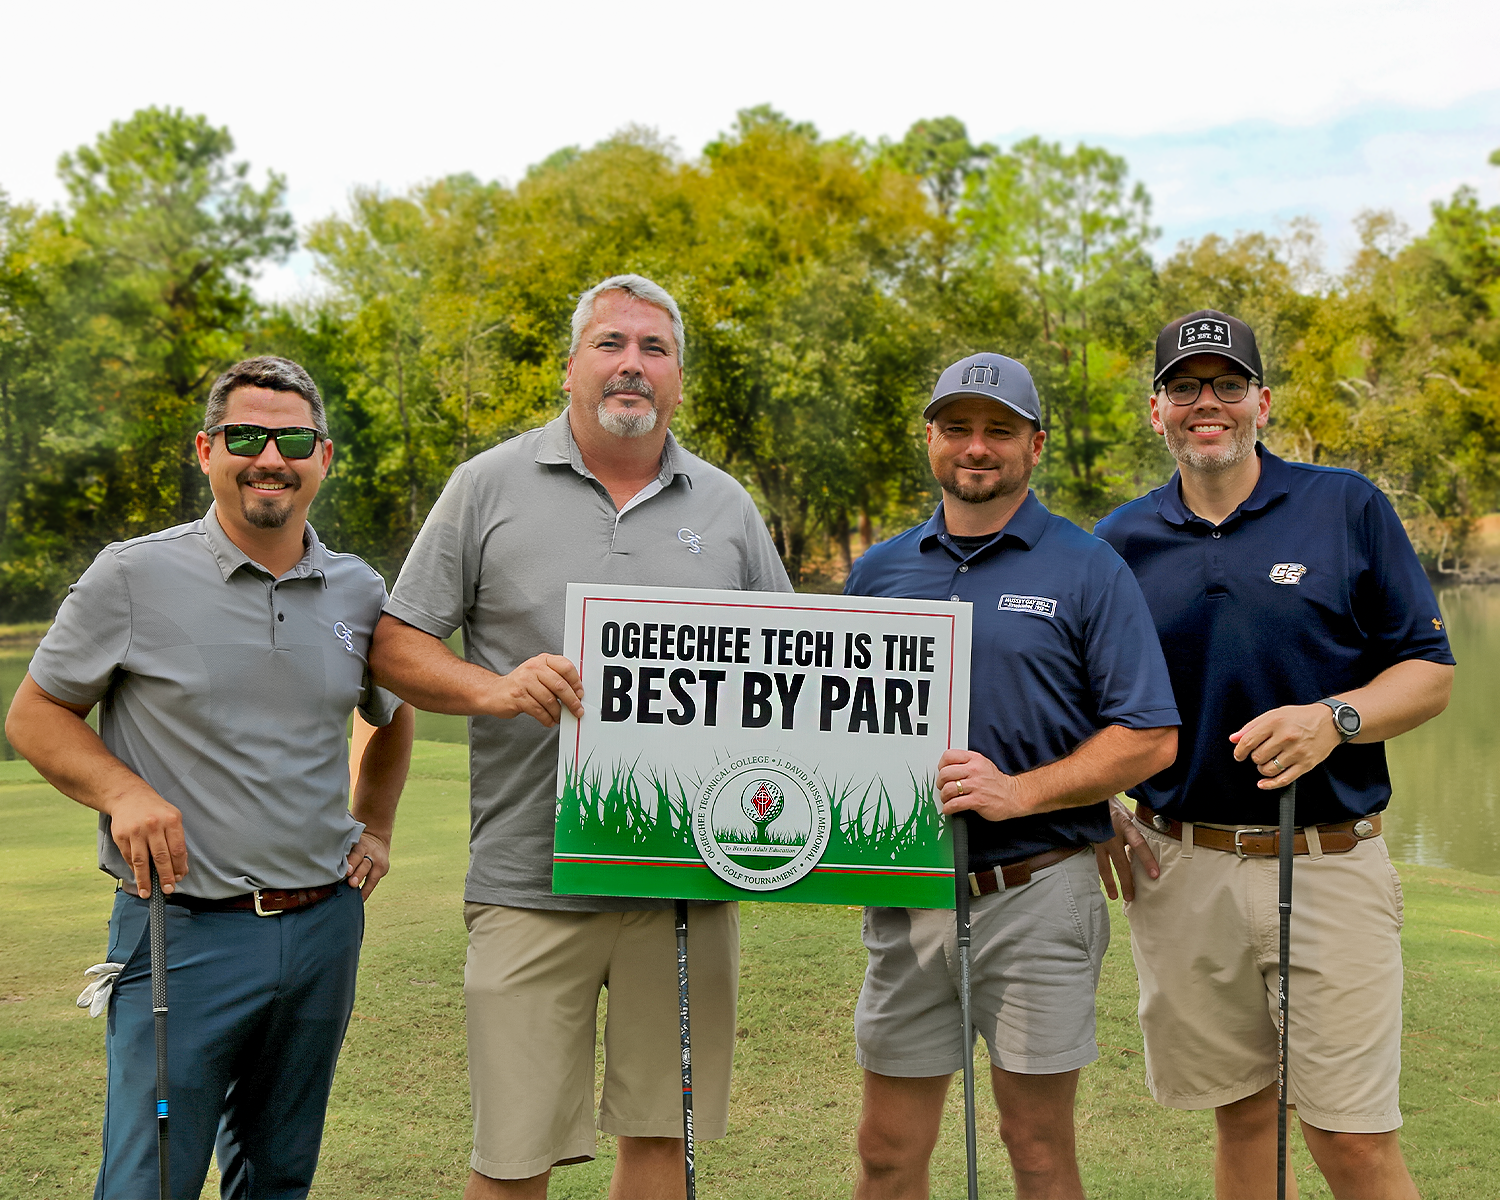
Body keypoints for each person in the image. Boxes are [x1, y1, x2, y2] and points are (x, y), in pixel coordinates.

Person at [368, 274, 791, 1199]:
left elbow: (791, 678)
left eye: (654, 349)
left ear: (680, 378)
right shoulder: (486, 486)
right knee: (513, 1158)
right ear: (570, 367)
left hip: (684, 879)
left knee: (659, 1143)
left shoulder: (728, 508)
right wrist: (496, 688)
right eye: (610, 344)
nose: (631, 364)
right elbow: (396, 647)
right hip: (528, 880)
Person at [4, 355, 415, 1199]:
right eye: (246, 435)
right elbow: (34, 716)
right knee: (150, 1179)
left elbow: (392, 710)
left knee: (279, 1175)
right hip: (181, 935)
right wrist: (124, 792)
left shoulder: (357, 588)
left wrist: (375, 824)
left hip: (322, 930)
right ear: (205, 450)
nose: (271, 456)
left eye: (294, 437)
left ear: (323, 458)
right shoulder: (131, 574)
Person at [1094, 310, 1455, 1200]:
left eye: (1224, 385)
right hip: (1180, 865)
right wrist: (1091, 798)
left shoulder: (1346, 506)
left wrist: (1335, 717)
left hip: (1328, 862)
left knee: (1350, 1139)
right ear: (1157, 410)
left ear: (1260, 401)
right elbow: (1075, 697)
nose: (1204, 403)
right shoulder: (1117, 542)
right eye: (1184, 387)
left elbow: (1429, 672)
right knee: (1243, 1118)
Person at [842, 352, 1180, 1200]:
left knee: (1035, 1147)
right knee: (886, 1149)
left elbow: (1148, 735)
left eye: (999, 430)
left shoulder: (1087, 565)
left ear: (1035, 445)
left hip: (1037, 891)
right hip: (911, 896)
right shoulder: (878, 574)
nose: (976, 448)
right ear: (929, 438)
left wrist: (1022, 790)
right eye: (957, 428)